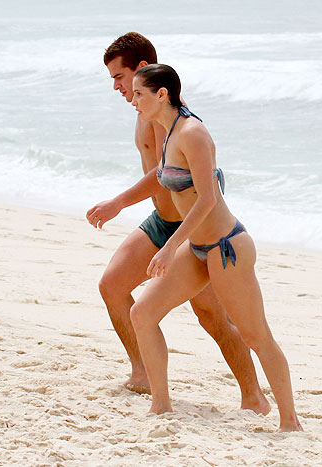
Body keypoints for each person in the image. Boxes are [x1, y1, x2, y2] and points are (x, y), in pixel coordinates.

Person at [86, 32, 269, 415]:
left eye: (119, 77)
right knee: (112, 286)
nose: (117, 88)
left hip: (190, 228)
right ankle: (143, 373)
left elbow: (164, 172)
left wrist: (118, 202)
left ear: (141, 70)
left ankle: (253, 395)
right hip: (159, 220)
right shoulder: (144, 109)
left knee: (213, 316)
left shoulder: (170, 114)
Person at [128, 63, 303, 432]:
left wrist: (168, 246)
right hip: (196, 249)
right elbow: (165, 184)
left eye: (139, 93)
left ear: (162, 95)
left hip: (227, 249)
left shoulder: (192, 133)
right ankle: (161, 406)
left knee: (256, 335)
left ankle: (290, 422)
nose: (133, 99)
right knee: (142, 313)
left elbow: (207, 199)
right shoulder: (167, 130)